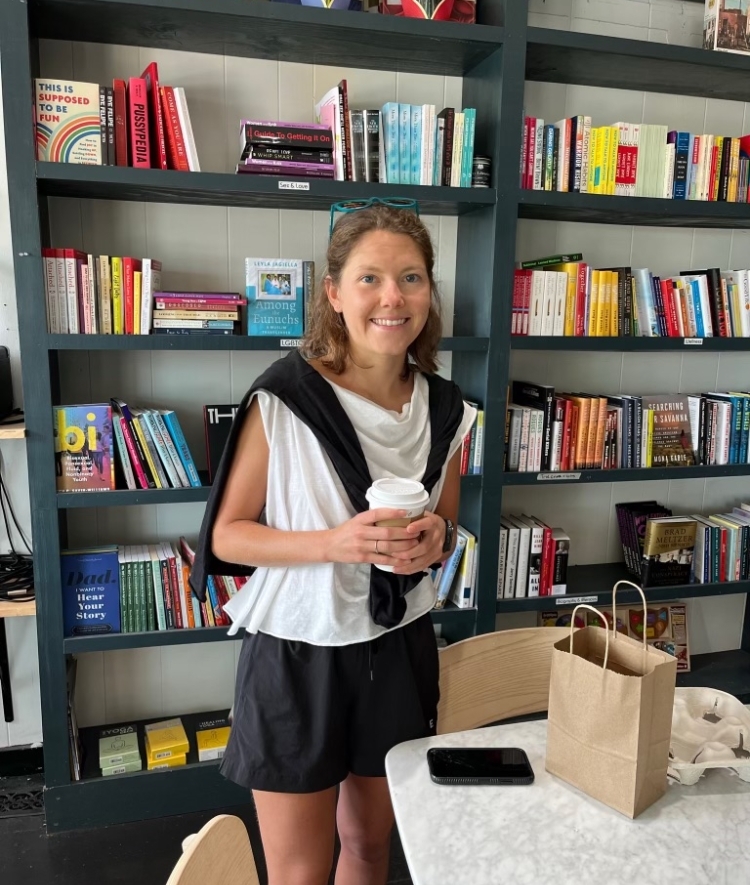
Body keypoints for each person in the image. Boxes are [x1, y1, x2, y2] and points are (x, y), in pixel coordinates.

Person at [206, 203, 476, 885]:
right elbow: (229, 536)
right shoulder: (285, 399)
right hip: (300, 651)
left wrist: (435, 539)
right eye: (370, 278)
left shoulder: (448, 410)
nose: (393, 297)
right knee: (300, 872)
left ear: (430, 292)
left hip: (399, 643)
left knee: (371, 849)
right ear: (333, 292)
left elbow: (445, 524)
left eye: (412, 278)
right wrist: (335, 542)